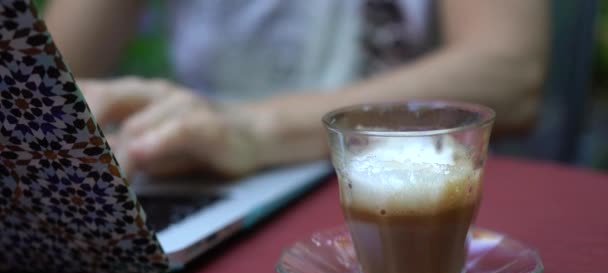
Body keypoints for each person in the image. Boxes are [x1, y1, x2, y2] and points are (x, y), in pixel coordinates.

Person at [43, 0, 548, 178]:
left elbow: (510, 72)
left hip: (403, 172)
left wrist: (255, 128)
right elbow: (40, 86)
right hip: (198, 170)